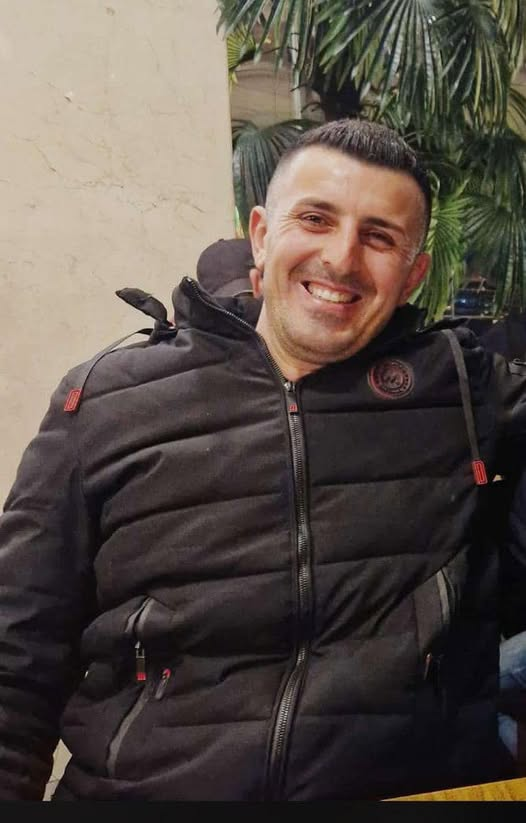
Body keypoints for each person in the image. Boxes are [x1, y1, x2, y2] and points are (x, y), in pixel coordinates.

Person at [1, 118, 526, 802]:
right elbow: (17, 654)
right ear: (260, 234)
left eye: (379, 237)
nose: (341, 258)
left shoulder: (460, 387)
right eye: (315, 218)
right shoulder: (107, 400)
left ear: (413, 274)